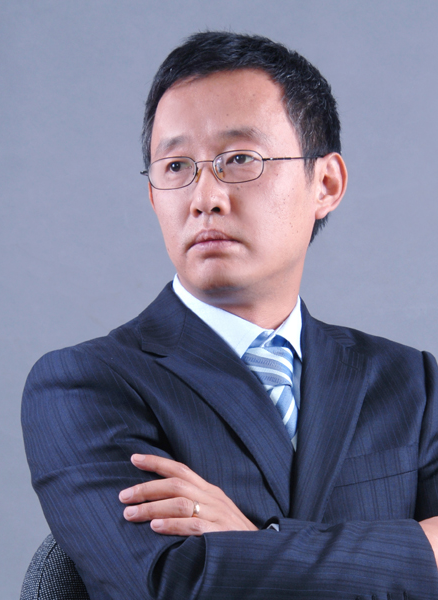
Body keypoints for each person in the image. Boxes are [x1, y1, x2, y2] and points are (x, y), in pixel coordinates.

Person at [22, 31, 438, 599]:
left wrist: (252, 541)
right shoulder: (84, 385)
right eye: (175, 166)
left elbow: (219, 575)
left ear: (326, 183)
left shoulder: (412, 384)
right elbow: (174, 584)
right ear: (154, 197)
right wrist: (418, 551)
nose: (204, 197)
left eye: (240, 159)